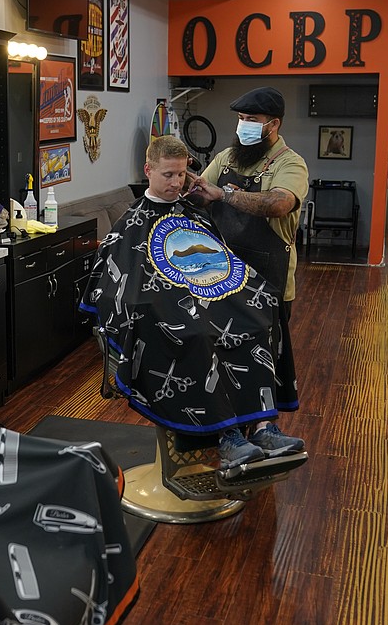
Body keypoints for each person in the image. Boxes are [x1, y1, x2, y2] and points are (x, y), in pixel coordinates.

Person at [80, 136, 304, 468]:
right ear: (148, 171)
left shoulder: (192, 212)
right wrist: (149, 305)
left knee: (256, 318)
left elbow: (220, 261)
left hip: (207, 299)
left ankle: (261, 426)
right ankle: (227, 437)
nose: (176, 183)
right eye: (168, 175)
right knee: (196, 335)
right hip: (163, 311)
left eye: (182, 175)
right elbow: (116, 283)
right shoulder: (131, 222)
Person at [185, 86, 309, 442]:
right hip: (222, 274)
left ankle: (264, 427)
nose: (243, 126)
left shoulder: (289, 163)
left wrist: (224, 194)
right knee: (222, 352)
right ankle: (229, 430)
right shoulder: (226, 158)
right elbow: (201, 192)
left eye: (251, 120)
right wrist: (180, 183)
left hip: (268, 278)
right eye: (240, 119)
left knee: (262, 355)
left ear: (273, 124)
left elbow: (279, 203)